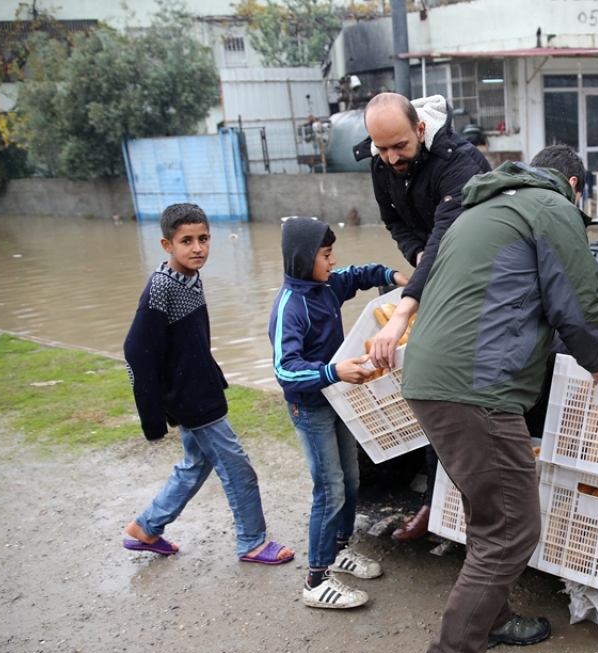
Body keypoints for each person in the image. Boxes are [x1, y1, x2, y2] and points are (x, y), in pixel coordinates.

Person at [400, 146, 598, 653]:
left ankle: (493, 618)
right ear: (573, 182)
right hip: (476, 388)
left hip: (429, 375)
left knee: (488, 512)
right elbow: (576, 299)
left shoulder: (483, 206)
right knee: (513, 529)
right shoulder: (552, 208)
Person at [122, 203, 294, 566]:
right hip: (191, 400)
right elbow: (137, 352)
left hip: (202, 389)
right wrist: (153, 419)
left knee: (196, 464)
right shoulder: (160, 289)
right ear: (167, 245)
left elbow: (190, 343)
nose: (197, 248)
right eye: (186, 241)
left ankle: (147, 527)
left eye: (203, 239)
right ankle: (252, 541)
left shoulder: (190, 278)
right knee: (238, 468)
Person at [354, 92, 491, 541]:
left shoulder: (461, 162)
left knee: (460, 397)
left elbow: (449, 238)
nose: (391, 158)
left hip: (483, 281)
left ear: (419, 130)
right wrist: (414, 254)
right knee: (431, 393)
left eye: (399, 147)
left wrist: (402, 313)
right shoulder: (381, 163)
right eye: (381, 149)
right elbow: (396, 222)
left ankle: (469, 511)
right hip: (434, 277)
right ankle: (437, 504)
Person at [268, 216, 409, 610]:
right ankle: (316, 579)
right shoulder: (291, 307)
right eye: (326, 255)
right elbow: (284, 369)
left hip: (337, 400)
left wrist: (394, 276)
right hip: (310, 407)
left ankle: (340, 550)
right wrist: (334, 371)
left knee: (349, 478)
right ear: (303, 257)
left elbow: (360, 275)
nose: (333, 262)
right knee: (328, 488)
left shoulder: (326, 285)